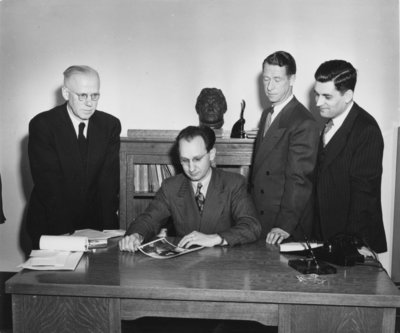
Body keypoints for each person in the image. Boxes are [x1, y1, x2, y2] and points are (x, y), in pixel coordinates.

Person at [119, 125, 261, 252]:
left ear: (211, 154)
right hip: (185, 269)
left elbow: (251, 226)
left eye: (197, 159)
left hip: (224, 266)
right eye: (185, 161)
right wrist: (136, 235)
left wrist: (216, 238)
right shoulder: (171, 187)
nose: (191, 168)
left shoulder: (233, 183)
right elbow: (149, 219)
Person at [27, 65, 121, 249]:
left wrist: (109, 231)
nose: (89, 103)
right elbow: (49, 186)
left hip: (94, 226)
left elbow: (108, 184)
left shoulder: (109, 125)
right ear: (65, 93)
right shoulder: (43, 125)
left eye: (95, 95)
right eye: (82, 95)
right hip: (52, 224)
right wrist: (65, 237)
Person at [313, 60, 387, 253]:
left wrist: (353, 246)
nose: (318, 102)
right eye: (317, 94)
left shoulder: (366, 129)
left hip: (351, 241)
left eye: (326, 96)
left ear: (347, 96)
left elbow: (364, 197)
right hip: (325, 236)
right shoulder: (330, 123)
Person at [250, 51, 320, 245]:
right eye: (265, 79)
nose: (269, 87)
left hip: (284, 225)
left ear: (292, 79)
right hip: (261, 217)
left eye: (277, 79)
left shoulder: (304, 121)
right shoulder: (267, 113)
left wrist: (284, 225)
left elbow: (299, 180)